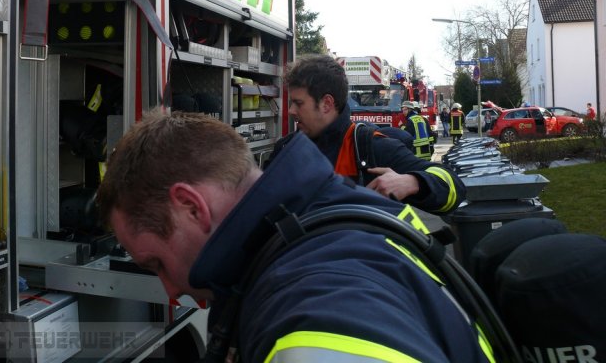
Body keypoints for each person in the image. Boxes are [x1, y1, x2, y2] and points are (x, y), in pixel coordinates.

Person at [97, 109, 495, 363]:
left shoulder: (314, 311)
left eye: (156, 263)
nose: (170, 291)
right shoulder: (327, 212)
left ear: (191, 207)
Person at [268, 55, 464, 215]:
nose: (291, 111)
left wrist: (413, 182)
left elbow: (454, 187)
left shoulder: (370, 148)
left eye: (298, 103)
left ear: (327, 103)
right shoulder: (286, 150)